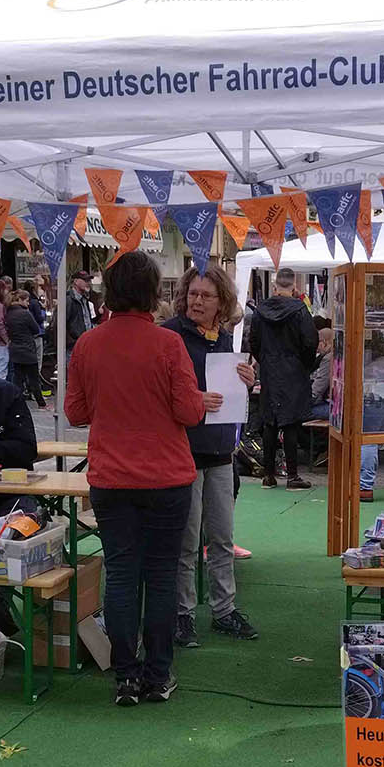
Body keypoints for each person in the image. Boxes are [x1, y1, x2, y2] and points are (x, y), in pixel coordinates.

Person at [64, 251, 208, 707]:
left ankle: (124, 674)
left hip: (111, 479)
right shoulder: (168, 345)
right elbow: (189, 411)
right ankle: (158, 674)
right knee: (162, 577)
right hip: (167, 477)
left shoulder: (88, 344)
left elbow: (75, 412)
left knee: (122, 575)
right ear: (152, 293)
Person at [161, 265, 260, 648]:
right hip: (183, 452)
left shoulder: (225, 340)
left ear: (222, 302)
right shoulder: (170, 336)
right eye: (193, 293)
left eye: (206, 295)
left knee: (222, 538)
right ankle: (182, 615)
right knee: (186, 543)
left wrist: (247, 383)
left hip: (220, 452)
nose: (197, 301)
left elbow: (231, 395)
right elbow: (159, 393)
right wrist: (193, 401)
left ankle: (224, 610)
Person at [249, 268, 320, 490]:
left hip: (270, 369)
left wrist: (266, 360)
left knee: (270, 421)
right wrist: (304, 364)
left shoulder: (260, 311)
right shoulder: (300, 310)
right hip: (293, 370)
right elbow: (310, 341)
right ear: (295, 286)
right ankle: (292, 476)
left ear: (275, 285)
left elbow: (254, 342)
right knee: (290, 422)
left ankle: (268, 474)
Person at [5, 290, 45, 407]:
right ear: (20, 300)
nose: (28, 304)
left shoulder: (8, 314)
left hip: (15, 349)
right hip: (27, 348)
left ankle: (16, 401)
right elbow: (35, 329)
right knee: (33, 378)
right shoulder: (25, 313)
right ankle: (41, 402)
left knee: (18, 378)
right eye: (26, 301)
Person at [64, 269, 96, 359]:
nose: (88, 283)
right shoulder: (68, 300)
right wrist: (71, 342)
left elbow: (87, 322)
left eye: (88, 280)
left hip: (84, 346)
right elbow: (59, 325)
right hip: (73, 348)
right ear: (76, 281)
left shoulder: (84, 300)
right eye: (85, 280)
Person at [310, 327, 334, 419]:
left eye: (317, 343)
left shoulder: (328, 358)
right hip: (334, 404)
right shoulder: (334, 354)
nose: (316, 348)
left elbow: (318, 388)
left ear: (324, 342)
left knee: (300, 413)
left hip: (331, 406)